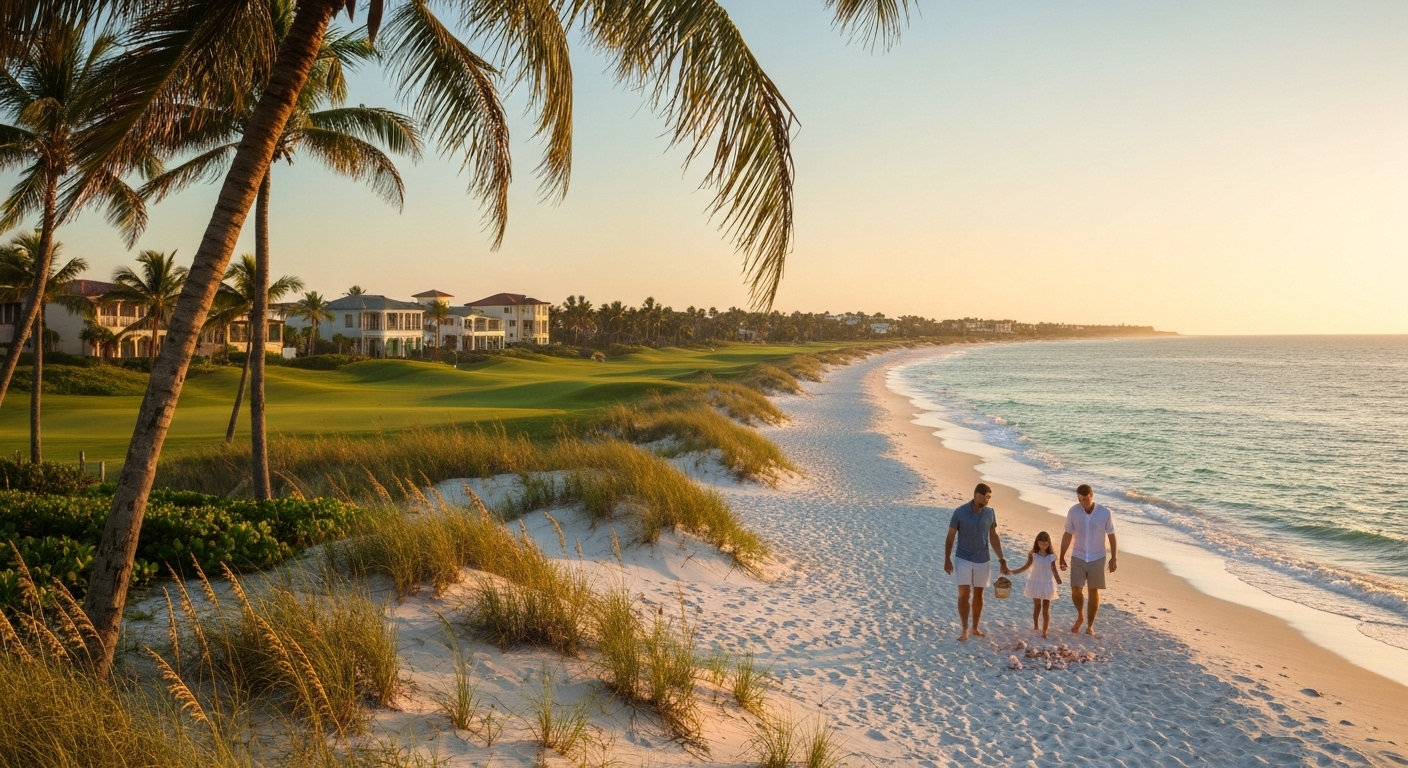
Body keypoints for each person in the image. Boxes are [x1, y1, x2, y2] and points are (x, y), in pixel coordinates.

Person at [944, 483, 1011, 642]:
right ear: (976, 495)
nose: (987, 500)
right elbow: (950, 536)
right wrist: (947, 559)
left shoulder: (990, 513)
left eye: (989, 497)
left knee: (979, 593)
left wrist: (1002, 559)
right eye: (984, 497)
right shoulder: (960, 512)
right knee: (964, 593)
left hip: (983, 559)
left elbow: (993, 536)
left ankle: (975, 627)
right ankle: (965, 629)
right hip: (963, 557)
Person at [1059, 484, 1118, 636]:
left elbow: (1111, 535)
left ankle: (1090, 626)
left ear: (1091, 496)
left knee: (1093, 590)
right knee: (1075, 588)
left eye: (1084, 499)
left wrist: (1114, 558)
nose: (1081, 502)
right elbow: (1068, 534)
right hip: (1078, 555)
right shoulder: (1073, 511)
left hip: (1097, 556)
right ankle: (1080, 615)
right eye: (1079, 498)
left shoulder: (1104, 512)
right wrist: (1062, 556)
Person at [1011, 531, 1062, 638]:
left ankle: (1045, 631)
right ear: (1037, 543)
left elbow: (1054, 569)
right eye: (1041, 543)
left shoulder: (1051, 556)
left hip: (1047, 583)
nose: (1043, 546)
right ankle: (1036, 626)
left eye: (1046, 544)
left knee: (1046, 607)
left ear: (1049, 543)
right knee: (1037, 606)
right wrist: (1013, 571)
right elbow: (1026, 566)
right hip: (1035, 581)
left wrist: (1058, 580)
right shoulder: (1033, 555)